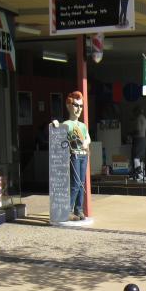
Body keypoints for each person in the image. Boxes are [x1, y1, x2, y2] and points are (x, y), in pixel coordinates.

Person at [53, 91, 91, 220]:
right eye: (76, 105)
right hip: (74, 155)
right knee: (75, 183)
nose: (79, 108)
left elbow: (88, 138)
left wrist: (86, 142)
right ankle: (67, 210)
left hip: (83, 155)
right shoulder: (67, 124)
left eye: (81, 106)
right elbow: (58, 136)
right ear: (69, 105)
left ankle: (78, 209)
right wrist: (56, 125)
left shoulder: (83, 125)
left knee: (82, 183)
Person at [131, 106, 146, 181]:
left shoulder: (138, 118)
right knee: (141, 158)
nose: (133, 114)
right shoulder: (144, 118)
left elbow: (137, 130)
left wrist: (130, 133)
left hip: (138, 139)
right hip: (143, 139)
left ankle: (138, 172)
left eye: (134, 112)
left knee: (136, 157)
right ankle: (141, 175)